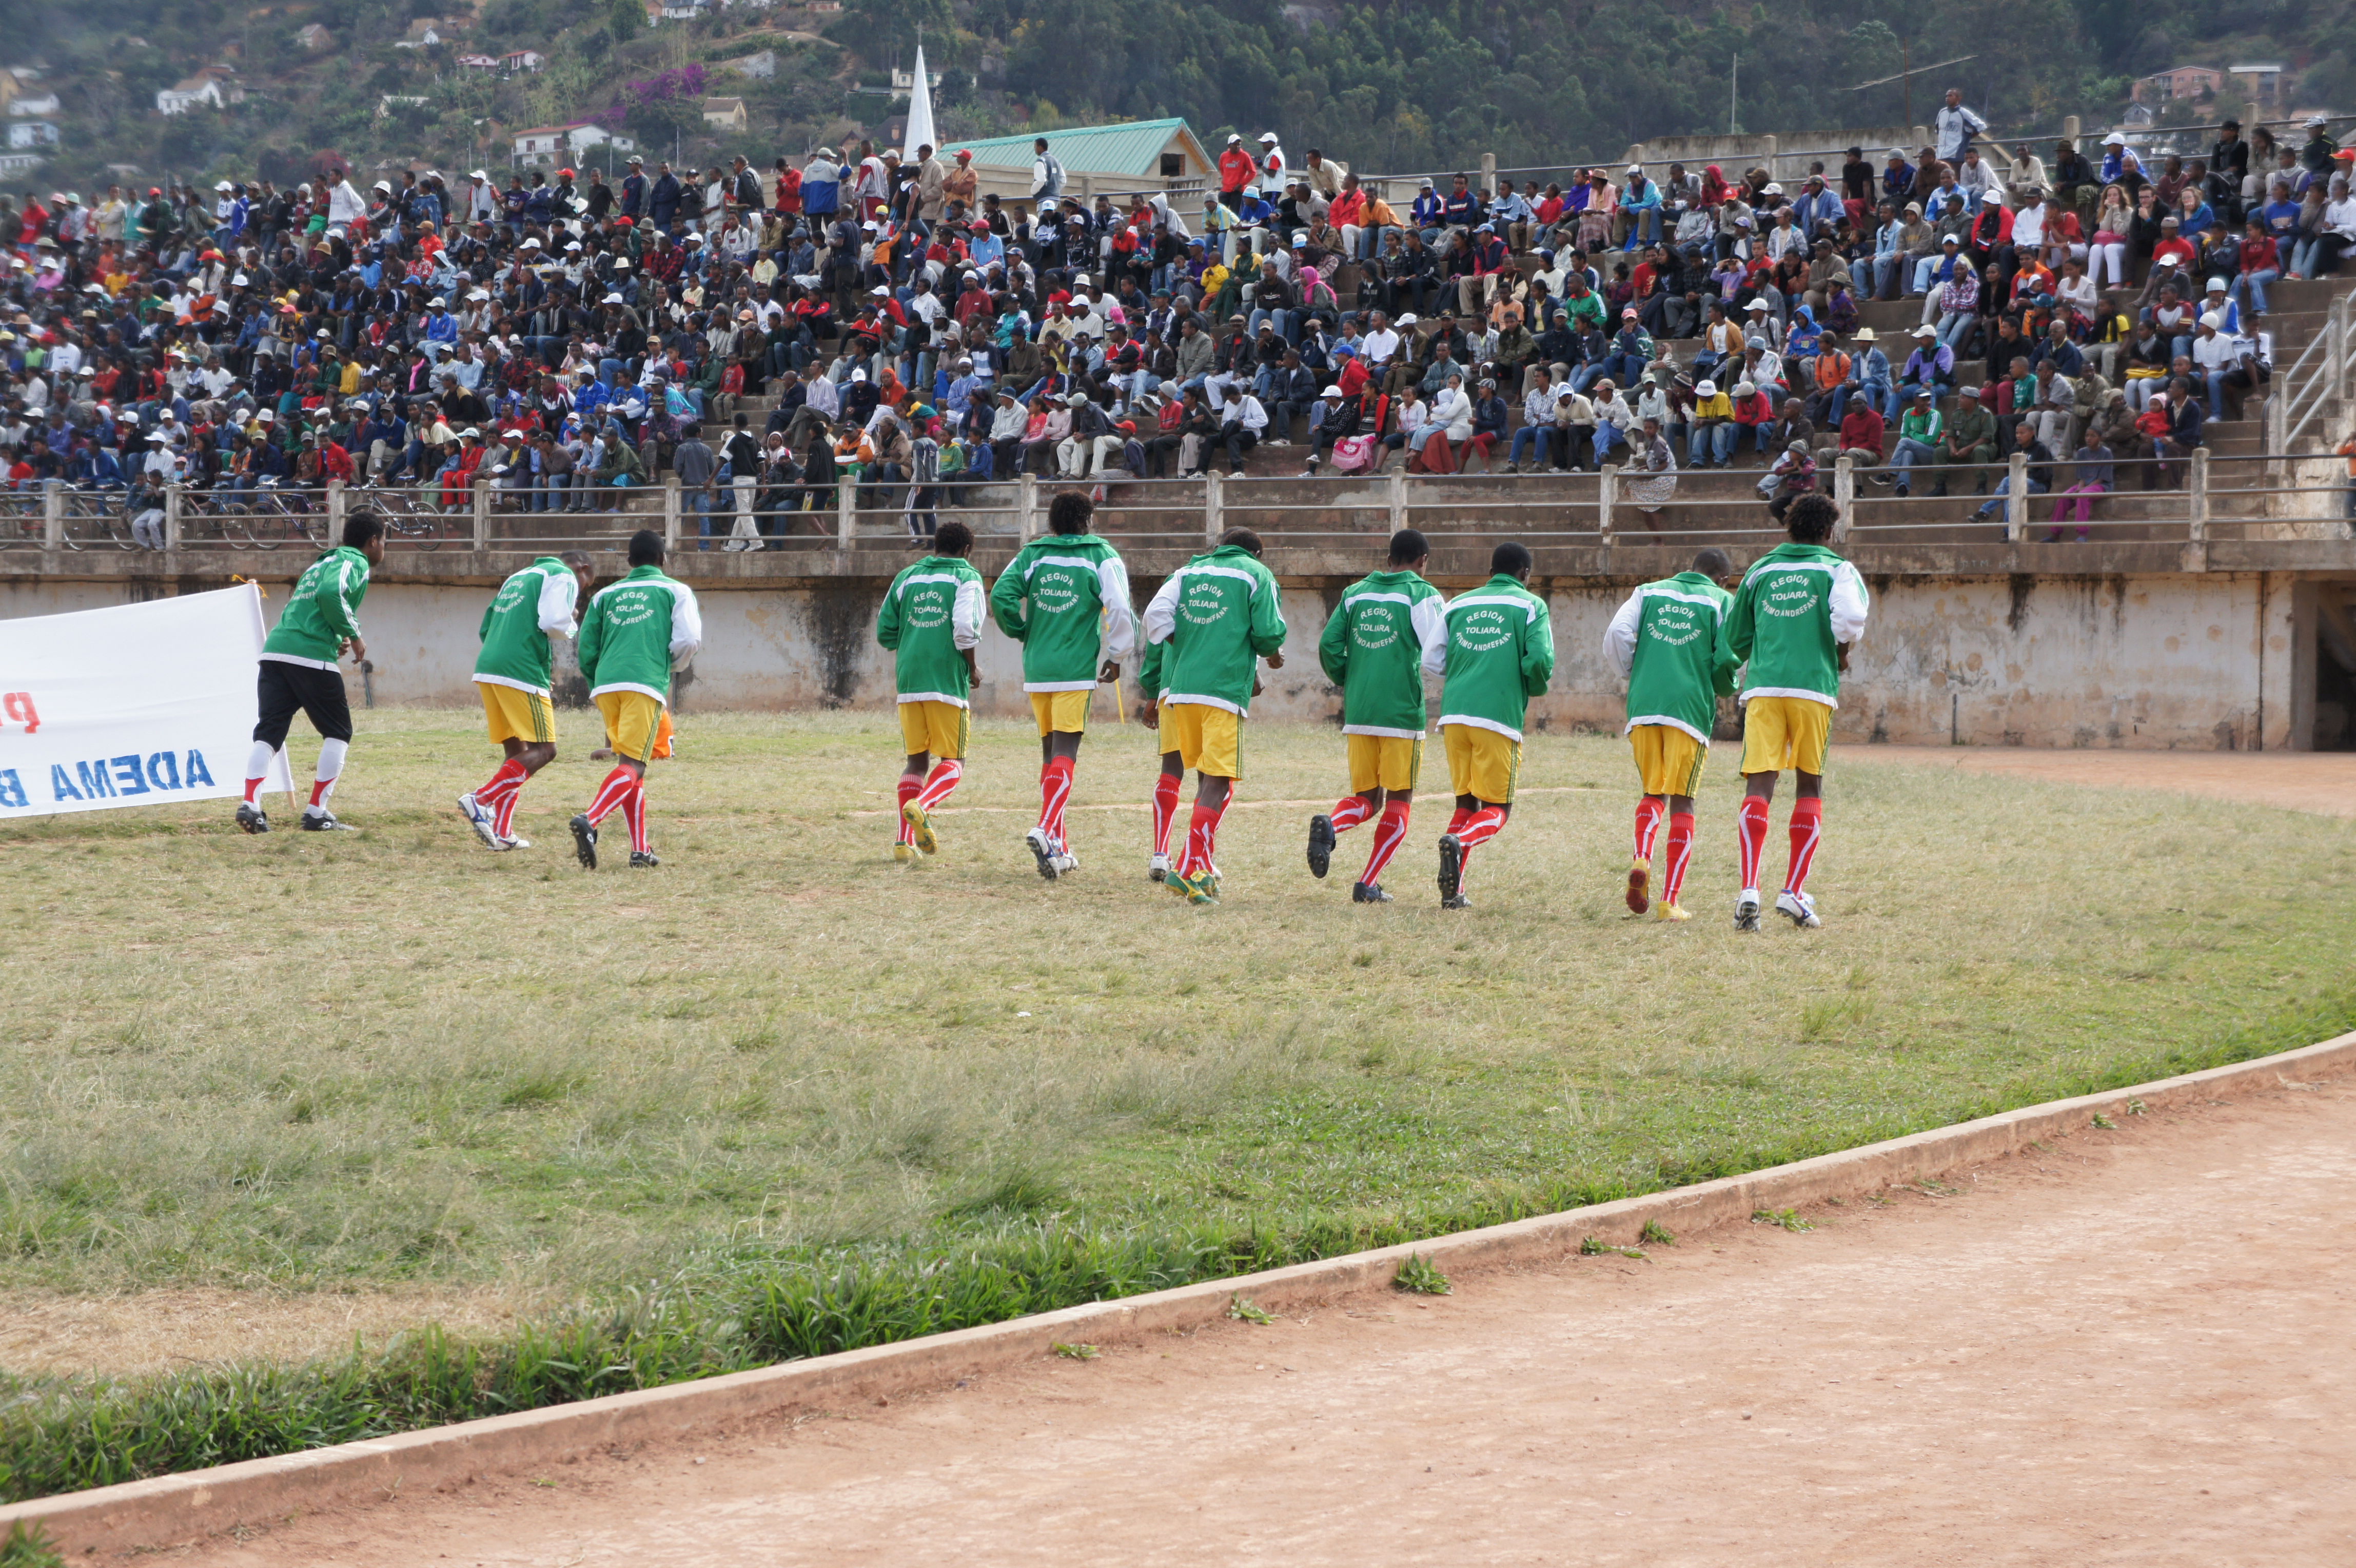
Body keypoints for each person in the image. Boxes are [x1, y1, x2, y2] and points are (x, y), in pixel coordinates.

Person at [1718, 493, 1870, 931]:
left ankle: (1750, 890)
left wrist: (1767, 646)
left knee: (1760, 784)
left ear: (1789, 529)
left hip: (1764, 688)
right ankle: (1792, 891)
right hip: (1812, 689)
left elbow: (1735, 638)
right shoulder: (1836, 568)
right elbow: (1850, 620)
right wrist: (1839, 654)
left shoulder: (1761, 569)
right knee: (1809, 785)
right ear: (1827, 532)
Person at [988, 490, 1136, 880]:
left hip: (1038, 666)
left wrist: (1021, 630)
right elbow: (1120, 608)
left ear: (1052, 521)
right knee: (1067, 751)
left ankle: (1060, 847)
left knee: (1049, 753)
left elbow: (1002, 595)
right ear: (1087, 520)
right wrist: (1117, 656)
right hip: (1074, 666)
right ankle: (1046, 826)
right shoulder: (1100, 555)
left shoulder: (1033, 554)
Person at [1136, 527, 1289, 904]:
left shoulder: (1187, 572)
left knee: (1203, 778)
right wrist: (1271, 655)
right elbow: (1269, 633)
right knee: (1219, 783)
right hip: (1221, 691)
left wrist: (1190, 644)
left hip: (1182, 688)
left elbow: (1154, 616)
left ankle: (1199, 867)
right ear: (1256, 552)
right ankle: (1188, 869)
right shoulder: (1256, 573)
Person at [1308, 528, 1448, 905]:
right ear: (1423, 562)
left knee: (1368, 798)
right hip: (1400, 710)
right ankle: (1368, 881)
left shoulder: (1355, 594)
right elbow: (1438, 649)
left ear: (1389, 560)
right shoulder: (1421, 593)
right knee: (1400, 796)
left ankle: (1332, 825)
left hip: (1360, 708)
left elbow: (1328, 644)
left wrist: (1348, 677)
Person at [1603, 548, 1737, 922]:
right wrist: (1725, 686)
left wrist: (1634, 670)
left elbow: (1617, 632)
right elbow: (1727, 659)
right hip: (1688, 710)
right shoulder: (1722, 601)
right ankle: (1669, 902)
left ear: (1691, 568)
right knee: (1683, 801)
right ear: (1723, 578)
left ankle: (1642, 859)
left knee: (1652, 792)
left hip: (1644, 705)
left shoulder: (1648, 592)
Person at [236, 511, 386, 834]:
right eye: (384, 542)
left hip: (276, 652)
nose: (383, 549)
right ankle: (317, 812)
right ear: (373, 541)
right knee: (338, 733)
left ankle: (251, 805)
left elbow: (312, 606)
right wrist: (354, 633)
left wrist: (336, 637)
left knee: (269, 733)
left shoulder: (321, 563)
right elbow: (331, 594)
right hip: (308, 656)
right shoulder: (354, 560)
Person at [570, 530, 703, 871]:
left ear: (629, 562)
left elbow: (586, 649)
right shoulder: (675, 590)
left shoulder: (606, 595)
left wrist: (597, 680)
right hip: (644, 683)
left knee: (630, 766)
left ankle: (640, 850)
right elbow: (689, 640)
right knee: (635, 765)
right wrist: (668, 665)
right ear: (663, 559)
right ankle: (591, 819)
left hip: (606, 685)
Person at [1434, 541, 1556, 910]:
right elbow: (1539, 661)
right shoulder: (1531, 605)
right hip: (1497, 717)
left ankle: (1453, 892)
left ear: (1491, 572)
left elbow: (1432, 658)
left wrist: (1464, 676)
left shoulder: (1458, 604)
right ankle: (1460, 842)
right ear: (1525, 574)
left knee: (1466, 802)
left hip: (1454, 715)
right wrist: (1529, 686)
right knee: (1499, 809)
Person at [457, 551, 594, 851]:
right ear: (582, 570)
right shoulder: (562, 575)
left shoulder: (516, 578)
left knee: (516, 752)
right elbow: (554, 622)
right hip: (521, 669)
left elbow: (487, 626)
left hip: (490, 667)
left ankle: (503, 832)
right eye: (584, 587)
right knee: (545, 750)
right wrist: (571, 620)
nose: (578, 591)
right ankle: (480, 800)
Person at [876, 519, 986, 863]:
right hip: (945, 679)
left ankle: (902, 843)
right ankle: (921, 806)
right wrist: (971, 666)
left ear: (935, 546)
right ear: (967, 550)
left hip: (909, 678)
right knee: (954, 759)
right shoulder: (966, 577)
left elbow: (885, 630)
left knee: (916, 760)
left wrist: (912, 643)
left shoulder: (906, 577)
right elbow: (965, 628)